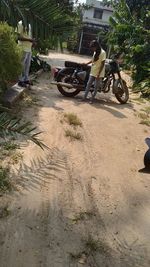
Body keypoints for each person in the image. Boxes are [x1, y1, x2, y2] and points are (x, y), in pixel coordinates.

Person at [16, 21, 34, 87]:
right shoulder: (20, 23)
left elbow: (29, 36)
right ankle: (20, 81)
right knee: (21, 65)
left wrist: (33, 42)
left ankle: (26, 79)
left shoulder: (29, 24)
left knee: (27, 65)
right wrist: (30, 40)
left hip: (29, 48)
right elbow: (18, 37)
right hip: (22, 48)